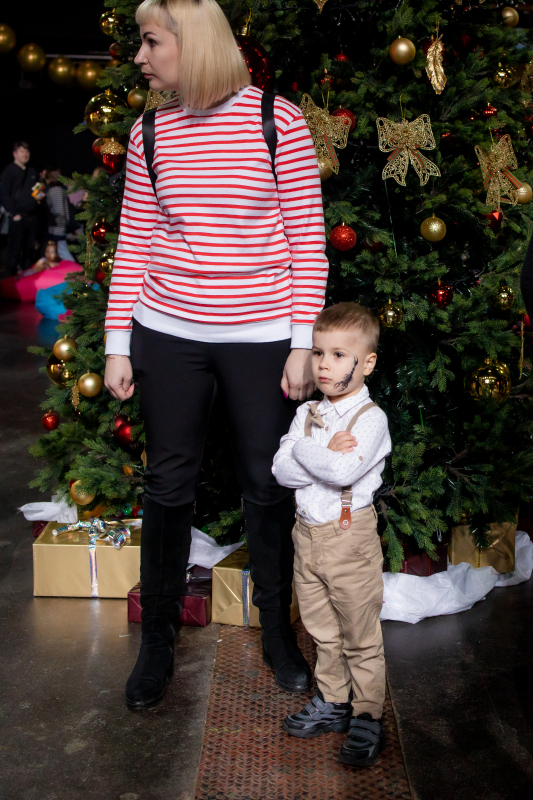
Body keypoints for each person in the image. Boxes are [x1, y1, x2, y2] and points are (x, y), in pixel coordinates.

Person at [104, 0, 329, 712]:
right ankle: (157, 642)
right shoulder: (149, 131)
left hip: (261, 336)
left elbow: (307, 241)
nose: (140, 57)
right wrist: (117, 343)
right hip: (168, 330)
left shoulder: (276, 120)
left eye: (150, 42)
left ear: (193, 41)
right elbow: (134, 241)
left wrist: (301, 344)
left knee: (266, 483)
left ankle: (278, 634)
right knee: (167, 484)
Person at [272, 302, 392, 768]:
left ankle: (367, 714)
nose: (324, 364)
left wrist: (303, 450)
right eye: (319, 352)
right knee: (321, 628)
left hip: (349, 540)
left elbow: (344, 471)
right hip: (306, 538)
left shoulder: (371, 419)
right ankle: (335, 700)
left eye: (339, 355)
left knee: (359, 633)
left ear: (367, 362)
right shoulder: (305, 413)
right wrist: (318, 447)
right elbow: (281, 471)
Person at [0, 141, 39, 275]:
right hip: (17, 218)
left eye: (27, 151)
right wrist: (14, 213)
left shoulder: (32, 171)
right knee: (14, 251)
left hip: (31, 217)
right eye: (21, 151)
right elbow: (4, 195)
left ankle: (27, 281)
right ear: (15, 154)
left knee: (29, 251)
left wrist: (39, 196)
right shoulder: (9, 171)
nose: (25, 154)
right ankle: (9, 281)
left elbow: (36, 189)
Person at [44, 168, 74, 262]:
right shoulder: (62, 191)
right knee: (61, 248)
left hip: (55, 225)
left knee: (61, 249)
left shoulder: (51, 192)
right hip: (62, 224)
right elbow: (66, 209)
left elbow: (49, 208)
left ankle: (73, 267)